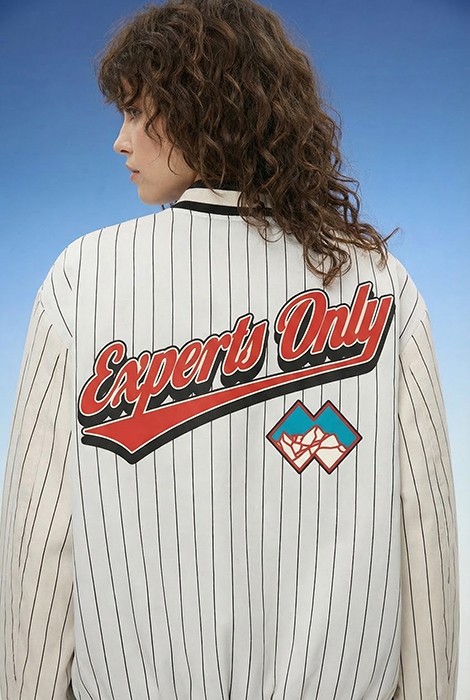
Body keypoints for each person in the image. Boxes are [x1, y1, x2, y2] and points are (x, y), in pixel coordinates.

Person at [0, 0, 459, 697]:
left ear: (201, 111)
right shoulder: (377, 279)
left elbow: (41, 534)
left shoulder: (83, 276)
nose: (120, 142)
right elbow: (424, 526)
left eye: (137, 113)